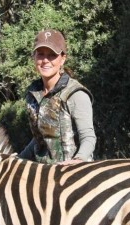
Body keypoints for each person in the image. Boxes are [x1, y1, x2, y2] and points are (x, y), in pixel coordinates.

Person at [19, 29, 96, 165]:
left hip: (76, 174)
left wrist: (78, 160)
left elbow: (88, 137)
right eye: (40, 54)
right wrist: (16, 161)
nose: (45, 60)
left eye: (52, 55)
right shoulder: (33, 94)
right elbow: (39, 139)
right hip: (44, 175)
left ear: (63, 59)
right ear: (34, 57)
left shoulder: (75, 94)